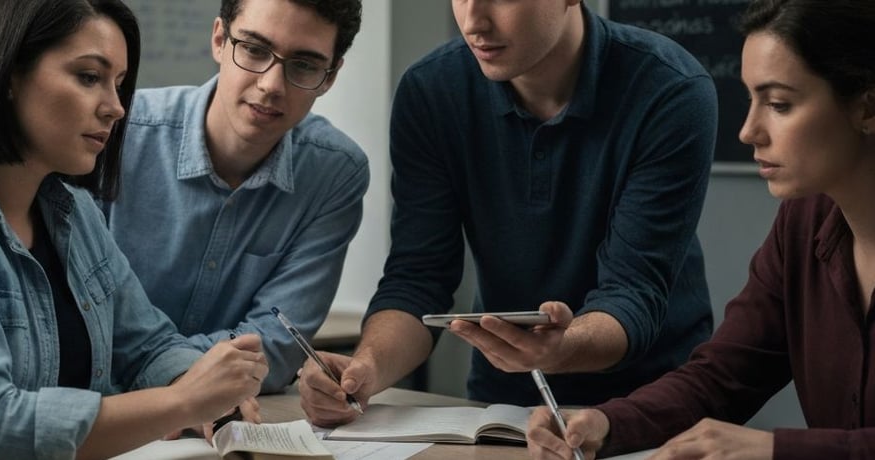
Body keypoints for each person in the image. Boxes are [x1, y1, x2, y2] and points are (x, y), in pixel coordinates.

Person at [299, 0, 718, 425]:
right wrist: (365, 371)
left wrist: (560, 348)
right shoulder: (432, 91)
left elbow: (634, 293)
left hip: (654, 403)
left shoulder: (669, 87)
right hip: (505, 405)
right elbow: (417, 278)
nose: (472, 21)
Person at [0, 0, 269, 458]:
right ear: (7, 74)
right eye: (89, 77)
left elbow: (147, 344)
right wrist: (183, 399)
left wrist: (208, 393)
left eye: (118, 85)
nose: (115, 108)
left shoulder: (72, 210)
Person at [526, 0, 875, 458]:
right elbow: (724, 375)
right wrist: (606, 422)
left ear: (868, 107)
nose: (748, 131)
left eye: (778, 104)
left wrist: (777, 450)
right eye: (751, 99)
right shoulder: (801, 224)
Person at [101, 0, 368, 394]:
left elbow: (276, 349)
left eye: (304, 65)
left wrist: (163, 374)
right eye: (255, 50)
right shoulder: (116, 132)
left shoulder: (334, 172)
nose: (271, 85)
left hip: (231, 424)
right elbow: (81, 329)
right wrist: (176, 382)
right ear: (219, 40)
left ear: (329, 77)